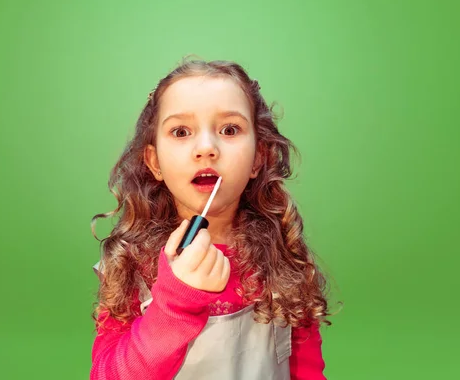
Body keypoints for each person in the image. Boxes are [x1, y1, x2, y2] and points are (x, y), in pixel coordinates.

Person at [90, 59, 331, 379]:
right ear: (154, 162)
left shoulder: (284, 260)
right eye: (181, 131)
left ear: (258, 157)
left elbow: (307, 370)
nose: (206, 148)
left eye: (229, 129)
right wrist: (174, 302)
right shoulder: (131, 264)